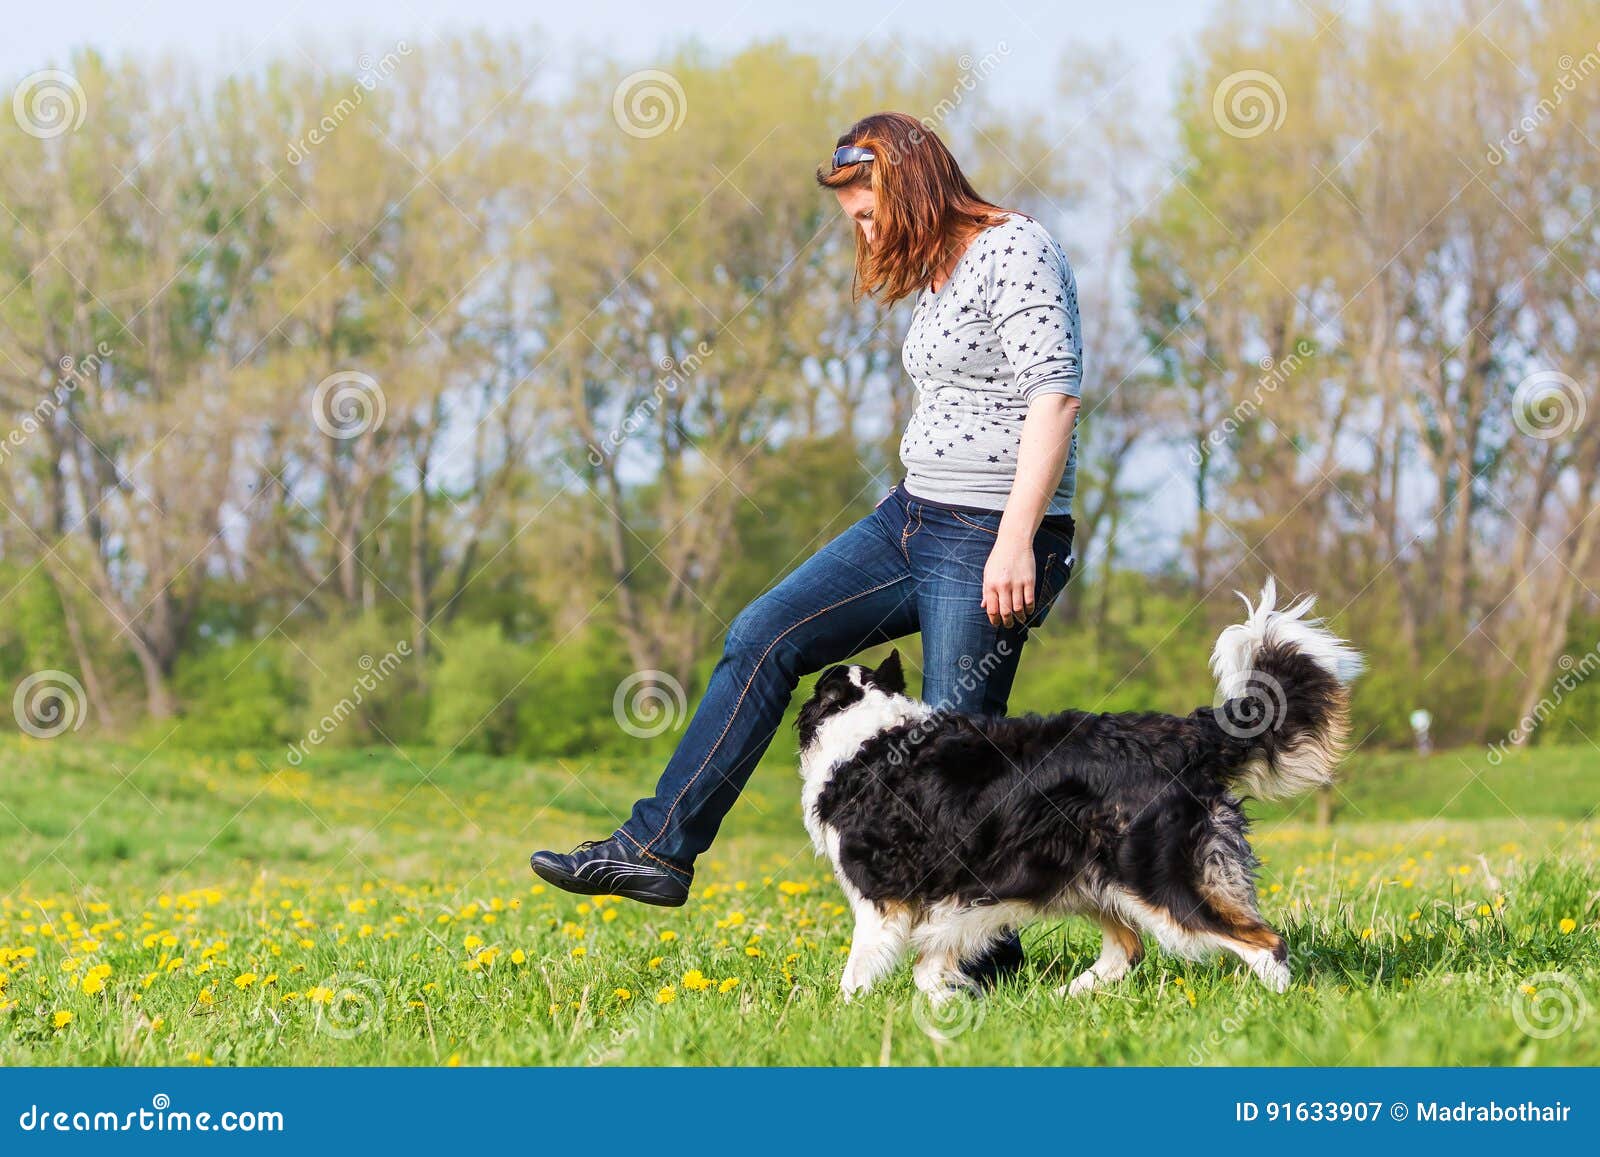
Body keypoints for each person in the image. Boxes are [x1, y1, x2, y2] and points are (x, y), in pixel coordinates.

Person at [530, 111, 1083, 986]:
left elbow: (1054, 395)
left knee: (951, 748)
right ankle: (657, 847)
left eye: (867, 212)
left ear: (909, 184)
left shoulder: (1017, 248)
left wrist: (1015, 540)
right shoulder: (941, 272)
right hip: (912, 517)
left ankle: (986, 955)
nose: (862, 231)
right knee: (764, 633)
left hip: (991, 531)